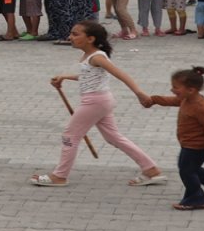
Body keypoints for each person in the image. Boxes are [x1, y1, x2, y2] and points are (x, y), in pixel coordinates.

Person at [29, 22, 164, 188]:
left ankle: (60, 175)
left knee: (69, 136)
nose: (70, 37)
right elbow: (88, 76)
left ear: (90, 39)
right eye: (71, 33)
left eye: (75, 34)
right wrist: (65, 77)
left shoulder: (97, 57)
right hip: (101, 101)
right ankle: (151, 169)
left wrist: (139, 92)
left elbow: (120, 74)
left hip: (94, 102)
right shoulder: (90, 56)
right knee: (113, 137)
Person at [146, 66, 204, 210]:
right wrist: (154, 100)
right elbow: (172, 101)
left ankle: (196, 199)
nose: (172, 90)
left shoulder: (201, 107)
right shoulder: (187, 99)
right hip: (189, 144)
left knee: (186, 170)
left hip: (197, 147)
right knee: (191, 168)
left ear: (191, 90)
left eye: (175, 87)